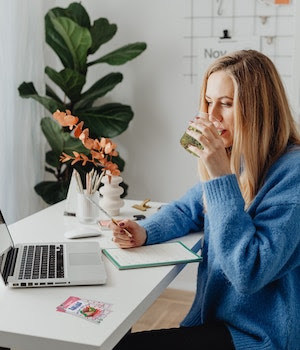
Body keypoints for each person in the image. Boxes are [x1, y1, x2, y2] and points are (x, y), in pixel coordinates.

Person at [111, 50, 300, 350]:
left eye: (226, 104)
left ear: (260, 109)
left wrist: (220, 175)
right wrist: (146, 230)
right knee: (111, 337)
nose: (212, 116)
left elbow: (248, 273)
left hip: (256, 336)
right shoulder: (240, 159)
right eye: (209, 102)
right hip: (214, 321)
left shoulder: (293, 175)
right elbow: (190, 207)